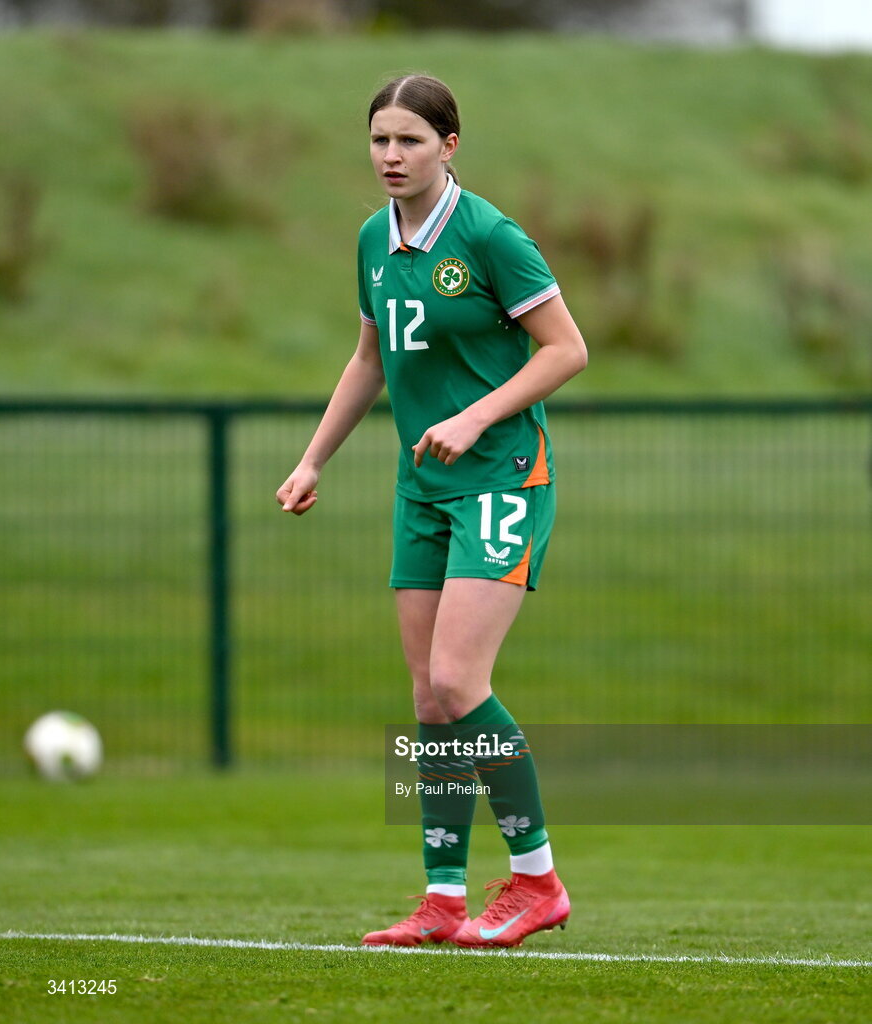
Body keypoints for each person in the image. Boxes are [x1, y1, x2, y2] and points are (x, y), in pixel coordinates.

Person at [275, 74, 587, 948]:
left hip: (501, 477)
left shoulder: (489, 236)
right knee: (428, 699)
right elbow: (369, 358)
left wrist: (476, 414)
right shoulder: (375, 236)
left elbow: (567, 349)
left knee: (458, 682)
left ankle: (536, 881)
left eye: (409, 140)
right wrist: (311, 459)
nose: (389, 156)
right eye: (378, 139)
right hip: (422, 489)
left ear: (449, 145)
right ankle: (442, 898)